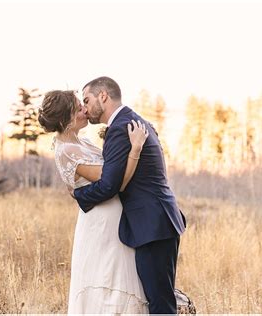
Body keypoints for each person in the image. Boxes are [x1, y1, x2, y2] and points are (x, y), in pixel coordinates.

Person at [73, 76, 187, 314]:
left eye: (87, 99)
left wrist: (79, 194)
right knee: (157, 299)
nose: (84, 108)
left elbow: (109, 185)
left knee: (160, 303)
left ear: (103, 95)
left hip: (152, 224)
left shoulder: (121, 128)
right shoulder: (132, 120)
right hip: (155, 222)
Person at [39, 90, 149, 313]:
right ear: (65, 120)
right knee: (107, 280)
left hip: (115, 217)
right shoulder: (67, 151)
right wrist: (135, 149)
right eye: (79, 108)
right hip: (101, 224)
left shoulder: (83, 142)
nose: (85, 110)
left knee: (121, 276)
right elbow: (112, 179)